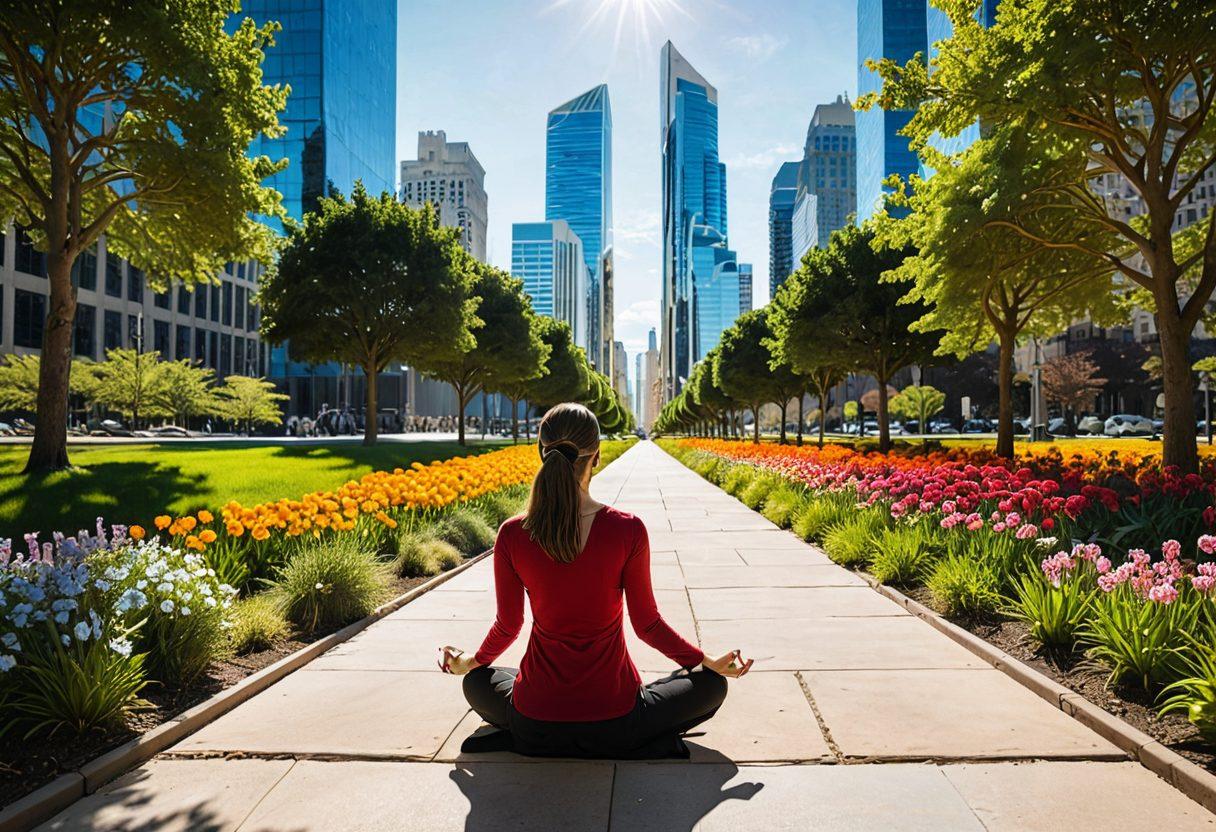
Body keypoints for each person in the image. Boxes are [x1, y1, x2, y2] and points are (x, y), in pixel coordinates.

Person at [439, 402, 752, 758]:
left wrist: (472, 661)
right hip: (616, 723)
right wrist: (704, 659)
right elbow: (647, 625)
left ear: (542, 454)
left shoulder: (512, 533)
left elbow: (508, 626)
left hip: (535, 723)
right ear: (597, 457)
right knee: (711, 686)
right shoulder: (627, 529)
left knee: (477, 680)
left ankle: (536, 729)